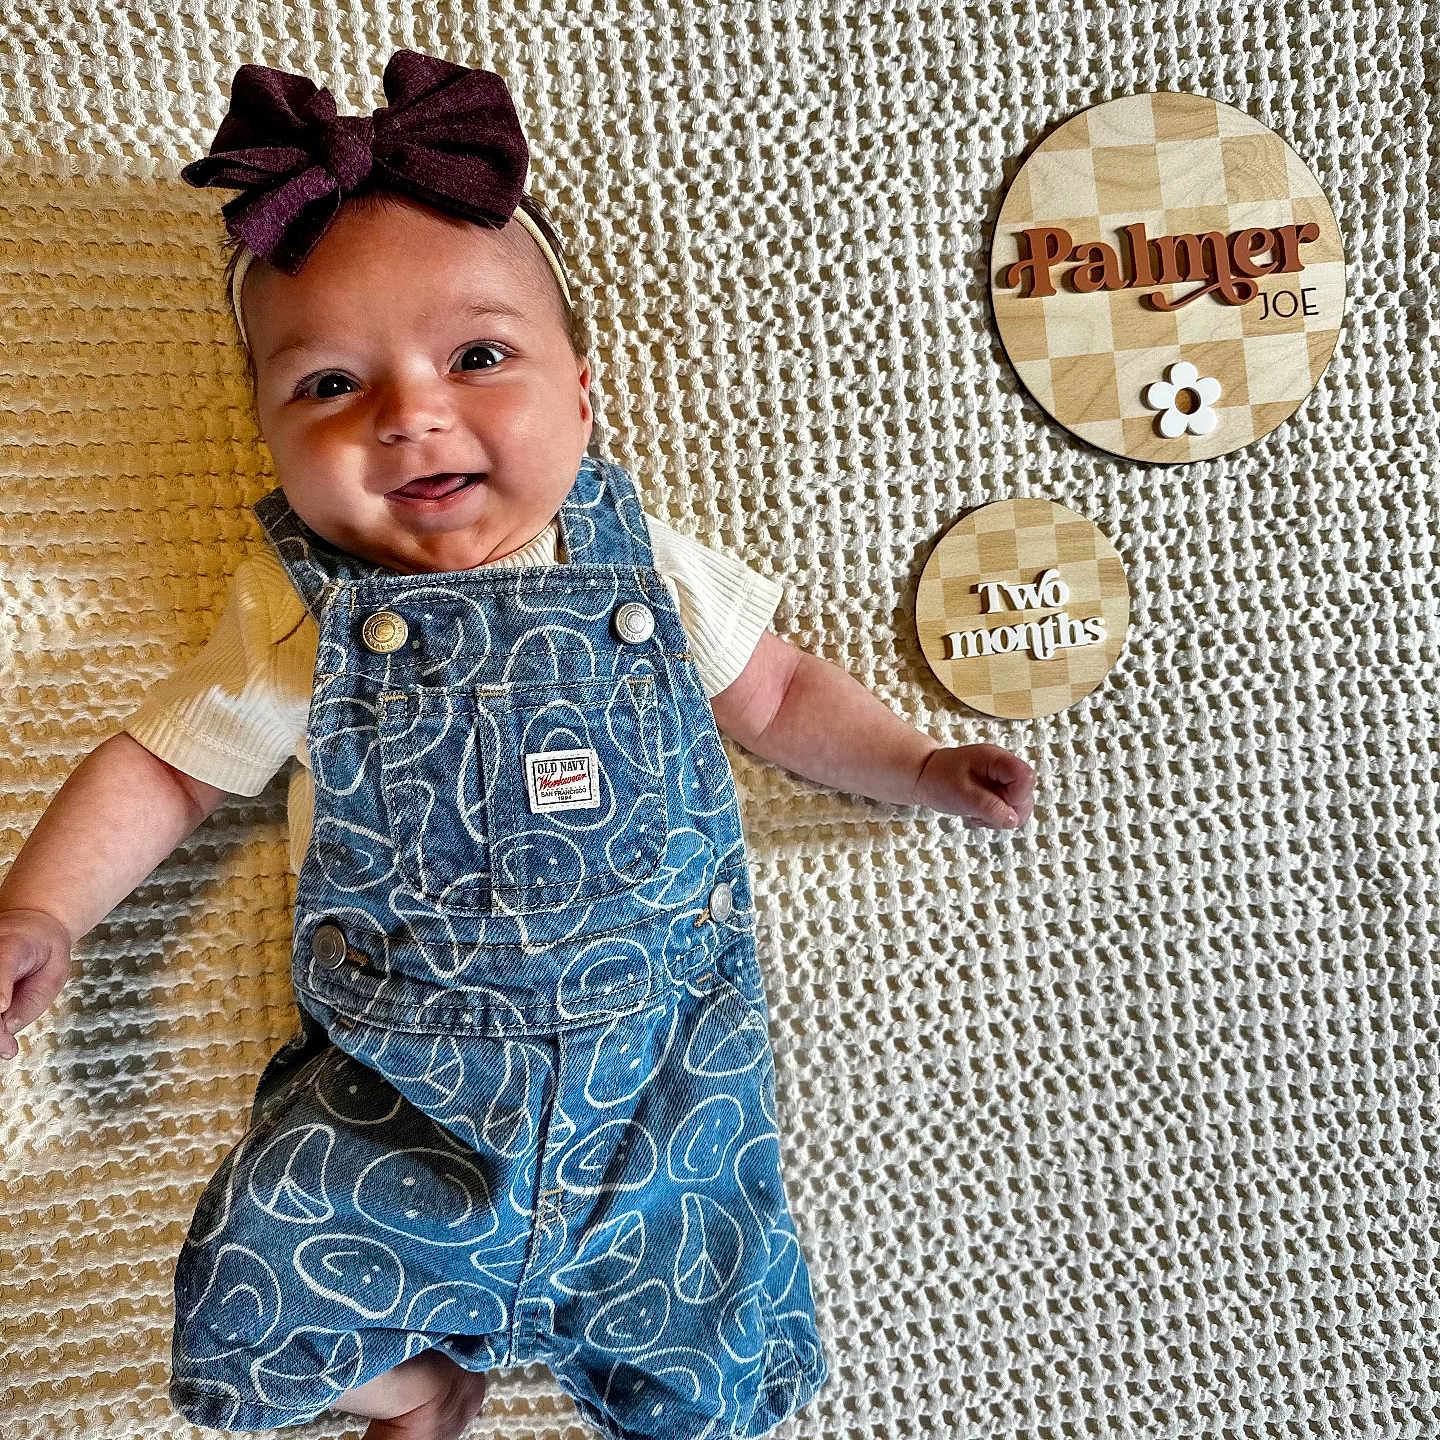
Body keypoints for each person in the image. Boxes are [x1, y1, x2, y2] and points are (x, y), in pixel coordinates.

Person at [0, 49, 1036, 1440]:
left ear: (584, 391)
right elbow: (167, 767)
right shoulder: (306, 608)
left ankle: (565, 1361)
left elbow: (778, 696)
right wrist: (46, 906)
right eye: (326, 387)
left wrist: (914, 764)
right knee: (243, 1316)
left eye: (478, 357)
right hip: (397, 1103)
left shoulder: (641, 562)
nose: (411, 414)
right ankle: (426, 1374)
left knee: (719, 1373)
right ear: (263, 434)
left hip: (664, 1097)